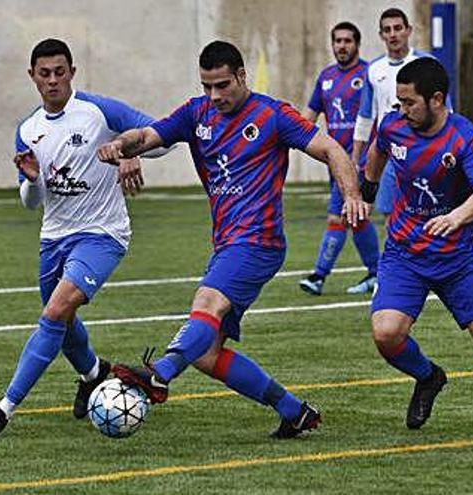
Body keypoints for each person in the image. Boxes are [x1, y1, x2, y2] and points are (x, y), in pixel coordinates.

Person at [98, 40, 368, 438]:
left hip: (259, 241)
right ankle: (294, 412)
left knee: (205, 303)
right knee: (207, 355)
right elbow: (149, 134)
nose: (215, 95)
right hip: (227, 244)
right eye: (207, 86)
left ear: (242, 76)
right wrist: (121, 144)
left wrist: (351, 195)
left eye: (222, 85)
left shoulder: (272, 115)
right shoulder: (196, 113)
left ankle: (160, 374)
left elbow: (331, 148)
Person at [0, 38, 165, 438]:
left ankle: (4, 410)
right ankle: (94, 374)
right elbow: (32, 202)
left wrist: (130, 147)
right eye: (45, 74)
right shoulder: (28, 130)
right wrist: (31, 180)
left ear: (72, 72)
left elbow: (163, 135)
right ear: (33, 77)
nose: (53, 80)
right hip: (53, 238)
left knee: (54, 313)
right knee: (63, 319)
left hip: (102, 234)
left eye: (61, 72)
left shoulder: (98, 111)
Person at [361, 57, 473, 444]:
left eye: (410, 102)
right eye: (399, 102)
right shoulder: (395, 124)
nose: (402, 110)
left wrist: (456, 217)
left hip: (456, 260)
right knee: (386, 334)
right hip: (404, 255)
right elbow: (378, 147)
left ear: (437, 99)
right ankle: (429, 377)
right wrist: (367, 189)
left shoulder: (464, 137)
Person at [298, 21, 380, 296]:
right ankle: (376, 273)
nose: (342, 46)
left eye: (347, 41)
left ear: (357, 44)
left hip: (361, 161)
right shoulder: (326, 77)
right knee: (355, 217)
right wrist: (287, 135)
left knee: (338, 217)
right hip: (335, 162)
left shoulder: (369, 74)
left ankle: (318, 277)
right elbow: (308, 116)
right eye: (337, 41)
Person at [352, 7, 447, 217]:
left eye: (397, 28)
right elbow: (366, 117)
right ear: (381, 35)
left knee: (427, 212)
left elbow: (445, 110)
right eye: (387, 30)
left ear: (408, 30)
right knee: (390, 216)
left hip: (424, 152)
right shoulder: (374, 69)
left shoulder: (427, 64)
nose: (393, 34)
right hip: (391, 154)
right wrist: (355, 158)